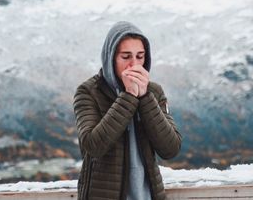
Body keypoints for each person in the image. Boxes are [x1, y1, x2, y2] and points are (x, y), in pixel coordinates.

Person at [73, 21, 182, 200]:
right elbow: (93, 147)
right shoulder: (88, 92)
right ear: (111, 58)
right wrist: (129, 96)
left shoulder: (154, 92)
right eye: (126, 57)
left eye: (140, 56)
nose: (134, 65)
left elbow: (170, 149)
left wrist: (145, 97)